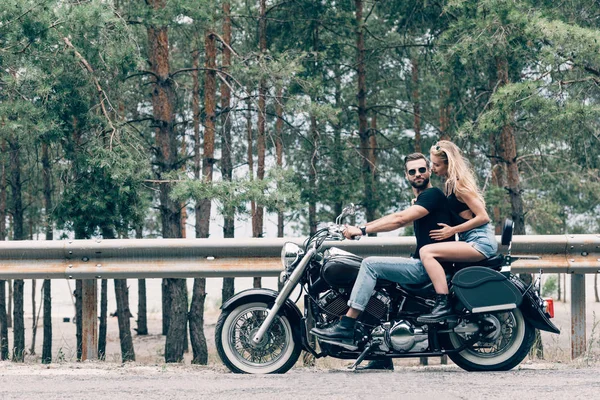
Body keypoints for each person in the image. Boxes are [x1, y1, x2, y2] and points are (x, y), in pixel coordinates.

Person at [310, 153, 455, 369]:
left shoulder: (433, 195)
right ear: (406, 175)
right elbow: (393, 217)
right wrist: (357, 227)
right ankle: (380, 354)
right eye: (412, 171)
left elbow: (399, 219)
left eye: (422, 170)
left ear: (429, 171)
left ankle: (347, 325)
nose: (417, 174)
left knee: (370, 265)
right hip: (424, 262)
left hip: (428, 267)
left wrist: (362, 229)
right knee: (381, 287)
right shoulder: (422, 199)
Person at [416, 140, 497, 323]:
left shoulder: (460, 186)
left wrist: (452, 230)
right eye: (432, 164)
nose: (433, 169)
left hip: (479, 242)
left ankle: (442, 304)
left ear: (448, 163)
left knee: (426, 252)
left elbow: (483, 217)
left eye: (437, 165)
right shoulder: (450, 185)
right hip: (470, 240)